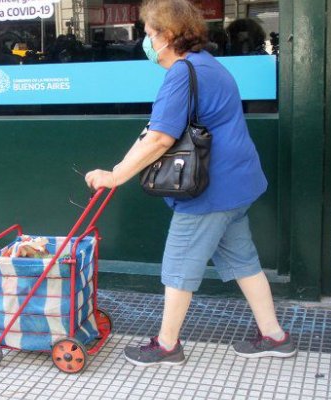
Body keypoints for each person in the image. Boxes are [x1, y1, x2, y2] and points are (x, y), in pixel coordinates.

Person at [84, 0, 297, 366]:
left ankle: (167, 345)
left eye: (149, 34)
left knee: (179, 266)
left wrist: (116, 176)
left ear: (167, 36)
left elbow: (160, 139)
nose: (146, 41)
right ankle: (274, 336)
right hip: (237, 187)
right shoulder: (209, 66)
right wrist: (120, 165)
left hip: (208, 191)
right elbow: (155, 131)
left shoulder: (183, 73)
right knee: (245, 262)